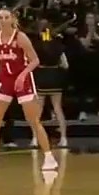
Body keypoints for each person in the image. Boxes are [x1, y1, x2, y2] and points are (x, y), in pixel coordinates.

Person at [0, 8, 58, 174]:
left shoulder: (20, 37)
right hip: (4, 80)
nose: (3, 20)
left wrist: (22, 75)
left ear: (12, 19)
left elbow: (35, 60)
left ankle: (49, 157)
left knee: (33, 120)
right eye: (0, 17)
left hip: (23, 79)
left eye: (6, 17)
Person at [30, 16, 69, 148]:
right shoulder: (58, 44)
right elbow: (65, 65)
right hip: (55, 77)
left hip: (41, 77)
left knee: (38, 110)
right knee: (58, 108)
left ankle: (35, 139)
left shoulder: (36, 45)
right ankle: (64, 138)